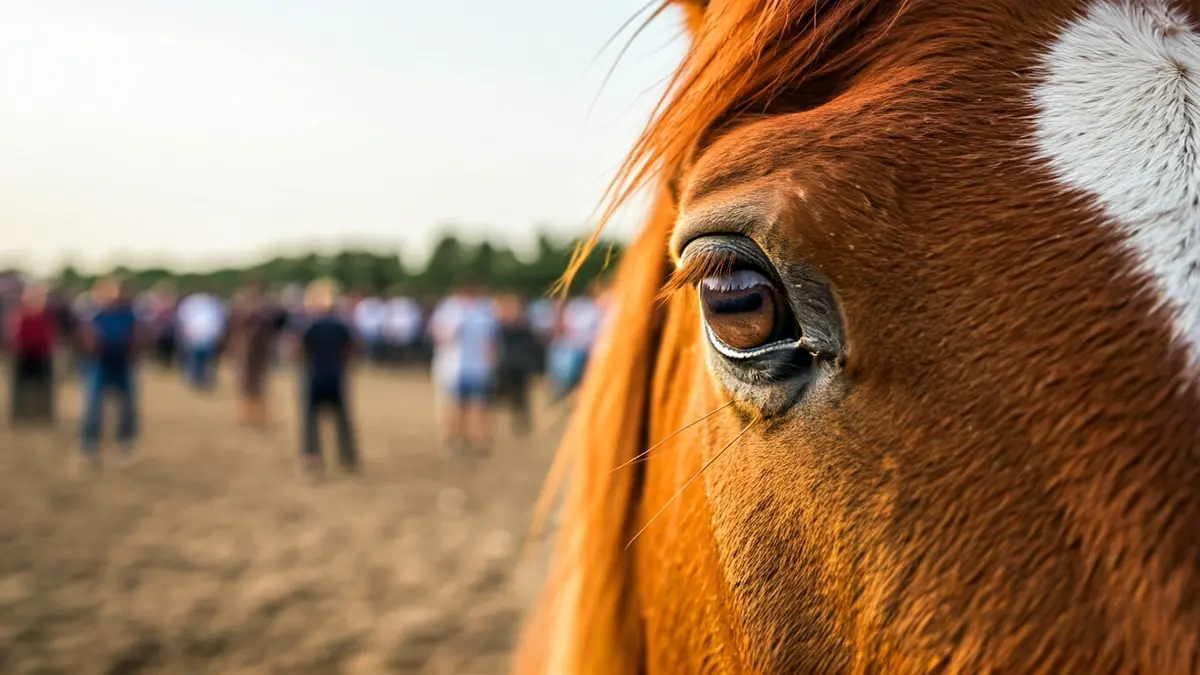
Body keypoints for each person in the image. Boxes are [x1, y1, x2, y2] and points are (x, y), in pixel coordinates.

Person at [296, 278, 360, 480]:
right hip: (336, 376)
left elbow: (298, 350)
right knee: (342, 419)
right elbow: (353, 348)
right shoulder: (342, 324)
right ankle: (348, 456)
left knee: (310, 420)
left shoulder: (308, 325)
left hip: (314, 376)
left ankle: (312, 458)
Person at [77, 277, 141, 470]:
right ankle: (89, 446)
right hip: (99, 364)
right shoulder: (94, 314)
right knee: (93, 408)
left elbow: (138, 335)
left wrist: (133, 347)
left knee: (127, 407)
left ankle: (125, 444)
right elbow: (86, 337)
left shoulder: (129, 314)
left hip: (123, 364)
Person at [428, 281, 499, 455]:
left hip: (477, 368)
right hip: (454, 368)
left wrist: (490, 363)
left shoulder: (483, 312)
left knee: (478, 405)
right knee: (455, 406)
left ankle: (477, 439)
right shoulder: (449, 310)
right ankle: (453, 439)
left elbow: (490, 341)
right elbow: (439, 335)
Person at [6, 282, 57, 425]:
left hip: (41, 354)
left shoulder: (45, 316)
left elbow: (50, 335)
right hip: (23, 355)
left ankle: (44, 415)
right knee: (20, 387)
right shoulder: (20, 315)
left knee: (44, 387)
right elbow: (15, 335)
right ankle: (19, 415)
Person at [228, 281, 276, 427]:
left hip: (257, 357)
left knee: (257, 387)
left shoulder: (260, 317)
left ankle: (258, 416)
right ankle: (248, 416)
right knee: (247, 387)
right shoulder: (246, 316)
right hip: (248, 357)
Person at [493, 294, 540, 436]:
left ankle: (521, 420)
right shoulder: (507, 325)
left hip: (518, 364)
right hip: (510, 364)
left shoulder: (522, 325)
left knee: (521, 394)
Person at [176, 287, 227, 390]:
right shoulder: (195, 302)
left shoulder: (214, 304)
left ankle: (202, 380)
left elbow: (221, 320)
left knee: (206, 361)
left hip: (207, 336)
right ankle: (197, 381)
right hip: (197, 336)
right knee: (197, 360)